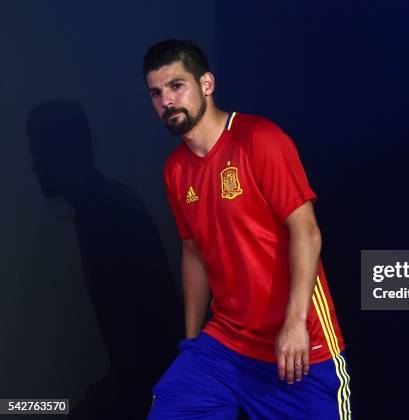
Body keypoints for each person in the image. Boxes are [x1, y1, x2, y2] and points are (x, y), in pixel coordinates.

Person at [142, 39, 351, 419]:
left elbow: (307, 231)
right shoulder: (175, 170)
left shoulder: (259, 139)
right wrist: (191, 343)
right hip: (226, 344)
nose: (166, 100)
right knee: (171, 403)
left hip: (298, 348)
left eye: (176, 86)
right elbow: (193, 254)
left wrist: (294, 325)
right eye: (156, 93)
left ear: (206, 84)